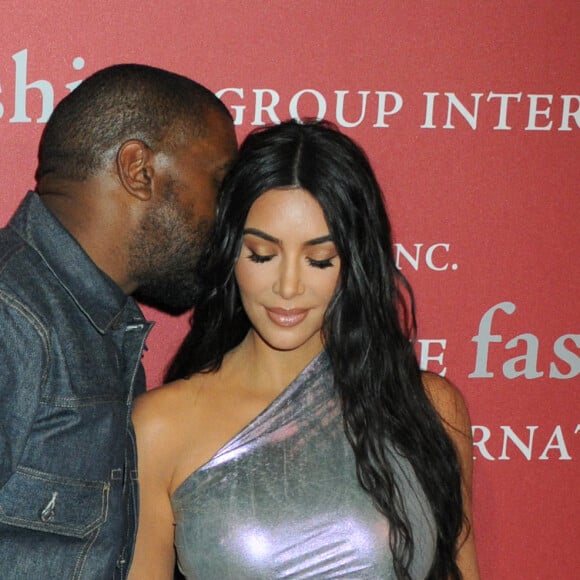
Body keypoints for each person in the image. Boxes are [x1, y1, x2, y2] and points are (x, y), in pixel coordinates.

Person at [129, 120, 480, 579]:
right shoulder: (161, 427)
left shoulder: (429, 409)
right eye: (262, 254)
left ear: (354, 263)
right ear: (230, 252)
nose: (288, 287)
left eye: (319, 260)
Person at [0, 63, 237, 579]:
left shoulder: (94, 323)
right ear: (138, 169)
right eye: (219, 181)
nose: (229, 219)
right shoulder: (12, 318)